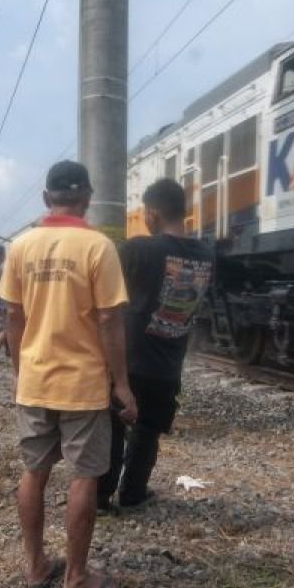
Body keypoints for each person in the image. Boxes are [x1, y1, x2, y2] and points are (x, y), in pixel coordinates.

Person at [0, 159, 136, 588]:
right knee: (83, 476)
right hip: (82, 383)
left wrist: (22, 370)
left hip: (36, 379)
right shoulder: (98, 248)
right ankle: (76, 580)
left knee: (34, 473)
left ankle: (36, 565)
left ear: (46, 199)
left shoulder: (20, 247)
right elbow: (110, 319)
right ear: (88, 199)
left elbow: (12, 317)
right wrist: (122, 384)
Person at [98, 178, 213, 512]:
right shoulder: (207, 253)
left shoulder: (138, 248)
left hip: (129, 358)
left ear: (151, 213)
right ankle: (133, 493)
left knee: (114, 427)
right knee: (148, 431)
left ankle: (101, 498)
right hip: (169, 362)